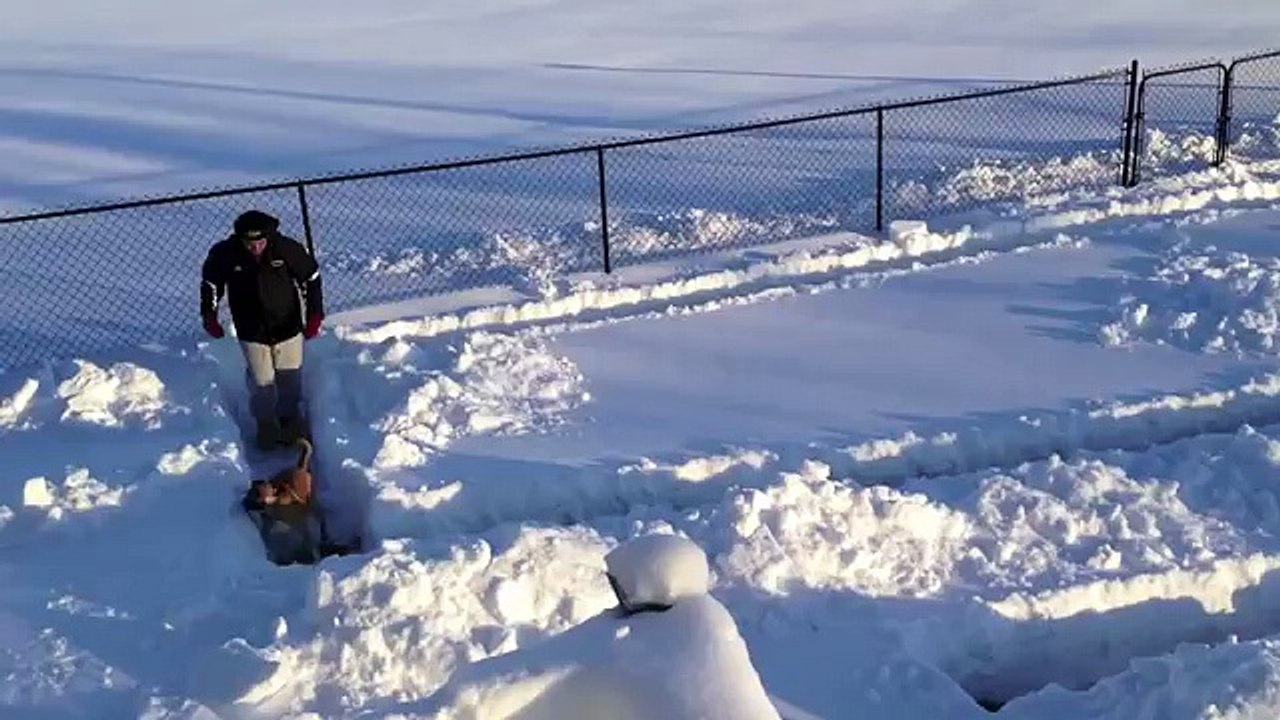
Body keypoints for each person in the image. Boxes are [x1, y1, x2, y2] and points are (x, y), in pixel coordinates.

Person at [200, 210, 324, 450]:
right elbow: (210, 284)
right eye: (250, 243)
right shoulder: (226, 253)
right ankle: (265, 424)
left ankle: (290, 420)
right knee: (261, 382)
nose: (255, 247)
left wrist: (314, 315)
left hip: (287, 326)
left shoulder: (286, 249)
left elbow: (311, 277)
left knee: (289, 378)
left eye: (260, 242)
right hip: (251, 330)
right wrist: (209, 315)